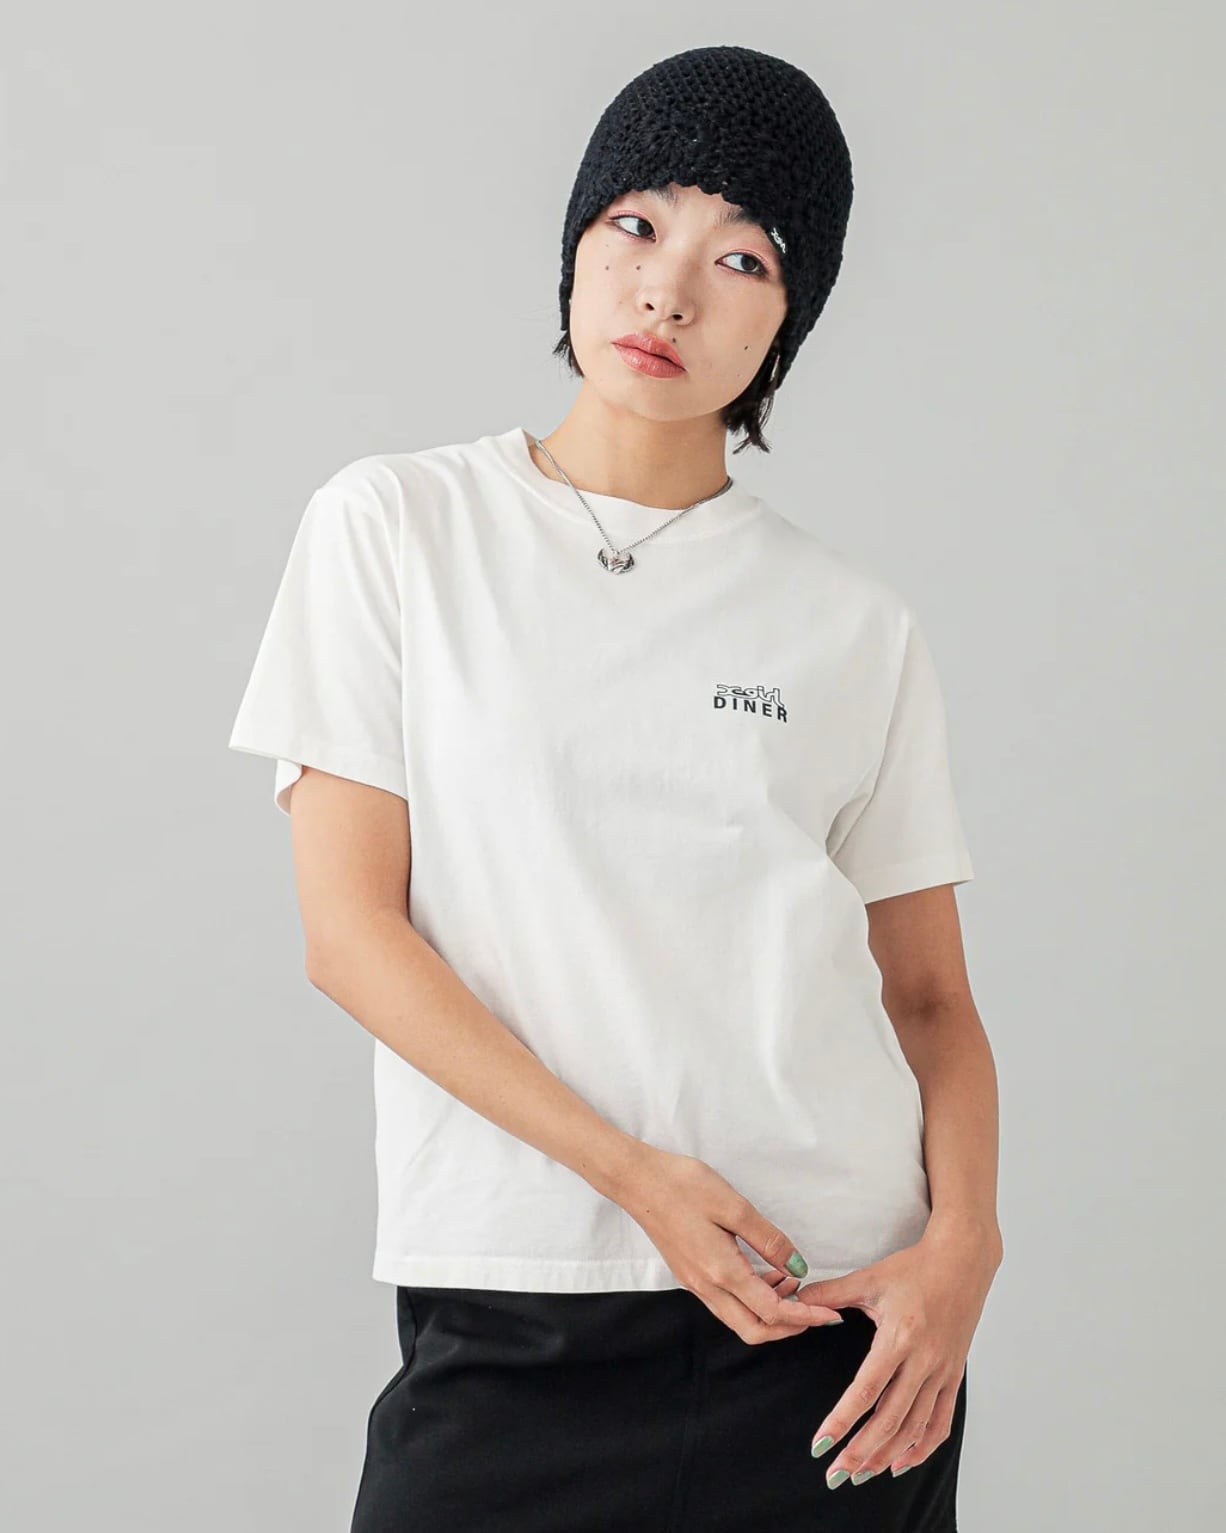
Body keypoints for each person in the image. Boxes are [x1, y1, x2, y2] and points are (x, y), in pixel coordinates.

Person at [228, 43, 1003, 1533]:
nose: (669, 292)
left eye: (743, 258)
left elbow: (928, 1002)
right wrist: (632, 1173)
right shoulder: (397, 526)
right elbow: (351, 933)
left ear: (788, 319)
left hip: (829, 1323)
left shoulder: (853, 624)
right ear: (577, 243)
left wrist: (963, 1246)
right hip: (521, 1296)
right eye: (636, 225)